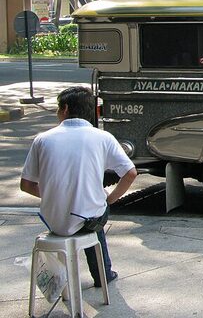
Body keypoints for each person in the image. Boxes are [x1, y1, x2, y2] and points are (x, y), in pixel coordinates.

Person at [20, 86, 137, 288]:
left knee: (84, 209)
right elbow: (130, 173)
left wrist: (52, 195)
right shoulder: (103, 138)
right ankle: (102, 273)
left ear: (65, 109)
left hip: (54, 220)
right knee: (95, 210)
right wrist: (110, 199)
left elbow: (26, 185)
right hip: (89, 219)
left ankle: (57, 280)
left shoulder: (42, 139)